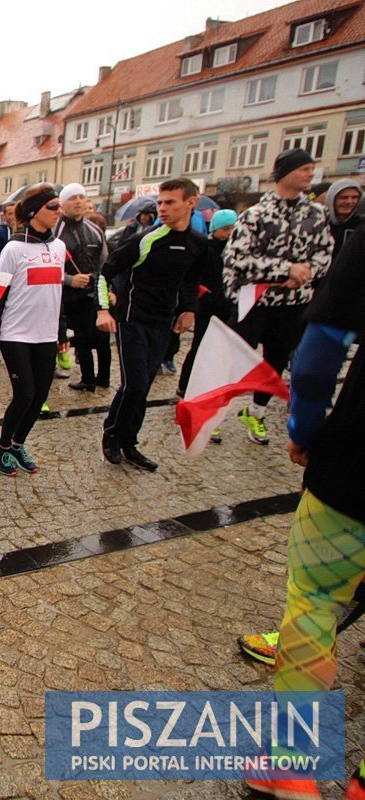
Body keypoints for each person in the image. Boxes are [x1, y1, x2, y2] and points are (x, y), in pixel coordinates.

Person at [242, 228, 365, 800]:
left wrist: (305, 430)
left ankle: (287, 764)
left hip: (356, 465)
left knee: (314, 604)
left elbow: (318, 357)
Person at [223, 148, 333, 446]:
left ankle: (255, 412)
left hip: (294, 302)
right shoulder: (256, 214)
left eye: (312, 168)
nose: (311, 173)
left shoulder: (317, 214)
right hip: (255, 301)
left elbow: (326, 252)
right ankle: (214, 413)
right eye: (304, 169)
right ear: (284, 173)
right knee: (233, 359)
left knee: (275, 362)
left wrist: (306, 272)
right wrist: (284, 268)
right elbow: (236, 257)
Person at [97, 179, 202, 472]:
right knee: (135, 384)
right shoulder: (146, 239)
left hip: (163, 324)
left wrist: (189, 310)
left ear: (192, 201)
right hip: (131, 320)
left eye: (171, 202)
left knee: (143, 387)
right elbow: (105, 272)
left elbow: (191, 280)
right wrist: (104, 308)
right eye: (160, 202)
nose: (163, 208)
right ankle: (112, 433)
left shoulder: (197, 244)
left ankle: (129, 442)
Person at [0, 184, 66, 476]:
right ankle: (2, 445)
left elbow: (58, 292)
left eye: (59, 206)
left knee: (39, 397)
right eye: (53, 207)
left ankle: (18, 444)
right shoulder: (14, 247)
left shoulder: (58, 246)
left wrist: (62, 330)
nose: (58, 212)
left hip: (46, 334)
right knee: (24, 394)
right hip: (15, 333)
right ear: (35, 211)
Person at [177, 209, 237, 405]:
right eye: (225, 229)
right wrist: (201, 294)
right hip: (207, 306)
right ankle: (185, 385)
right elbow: (192, 276)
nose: (229, 233)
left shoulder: (236, 249)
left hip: (229, 304)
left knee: (222, 350)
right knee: (199, 346)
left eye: (233, 228)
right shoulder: (205, 247)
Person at [53, 183, 110, 392]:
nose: (78, 201)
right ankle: (87, 377)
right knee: (81, 336)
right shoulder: (56, 232)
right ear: (63, 203)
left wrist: (106, 289)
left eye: (81, 197)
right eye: (72, 198)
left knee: (102, 336)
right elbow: (48, 268)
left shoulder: (94, 230)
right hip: (67, 295)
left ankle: (103, 377)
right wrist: (69, 279)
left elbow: (104, 263)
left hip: (93, 292)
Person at [327, 178, 362, 255]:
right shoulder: (320, 225)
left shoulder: (361, 227)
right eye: (343, 197)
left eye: (354, 197)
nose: (349, 202)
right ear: (332, 199)